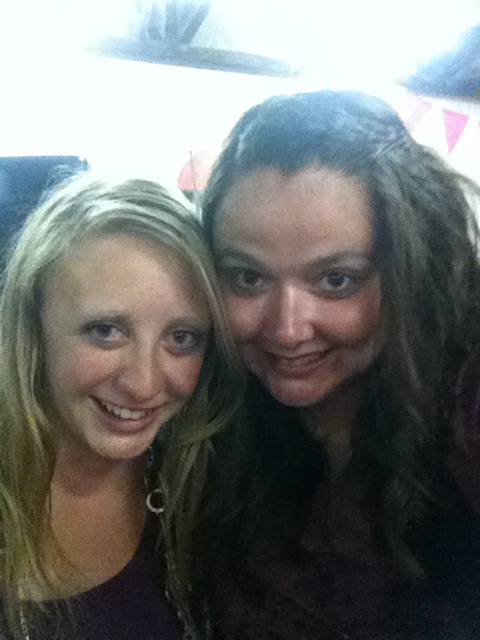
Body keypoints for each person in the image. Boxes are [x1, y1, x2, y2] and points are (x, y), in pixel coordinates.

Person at [195, 91, 480, 639]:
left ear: (412, 270)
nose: (287, 329)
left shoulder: (463, 407)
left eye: (336, 280)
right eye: (248, 277)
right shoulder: (207, 419)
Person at [0, 173, 241, 639]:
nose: (143, 384)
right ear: (33, 326)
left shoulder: (207, 486)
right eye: (106, 331)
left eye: (182, 338)